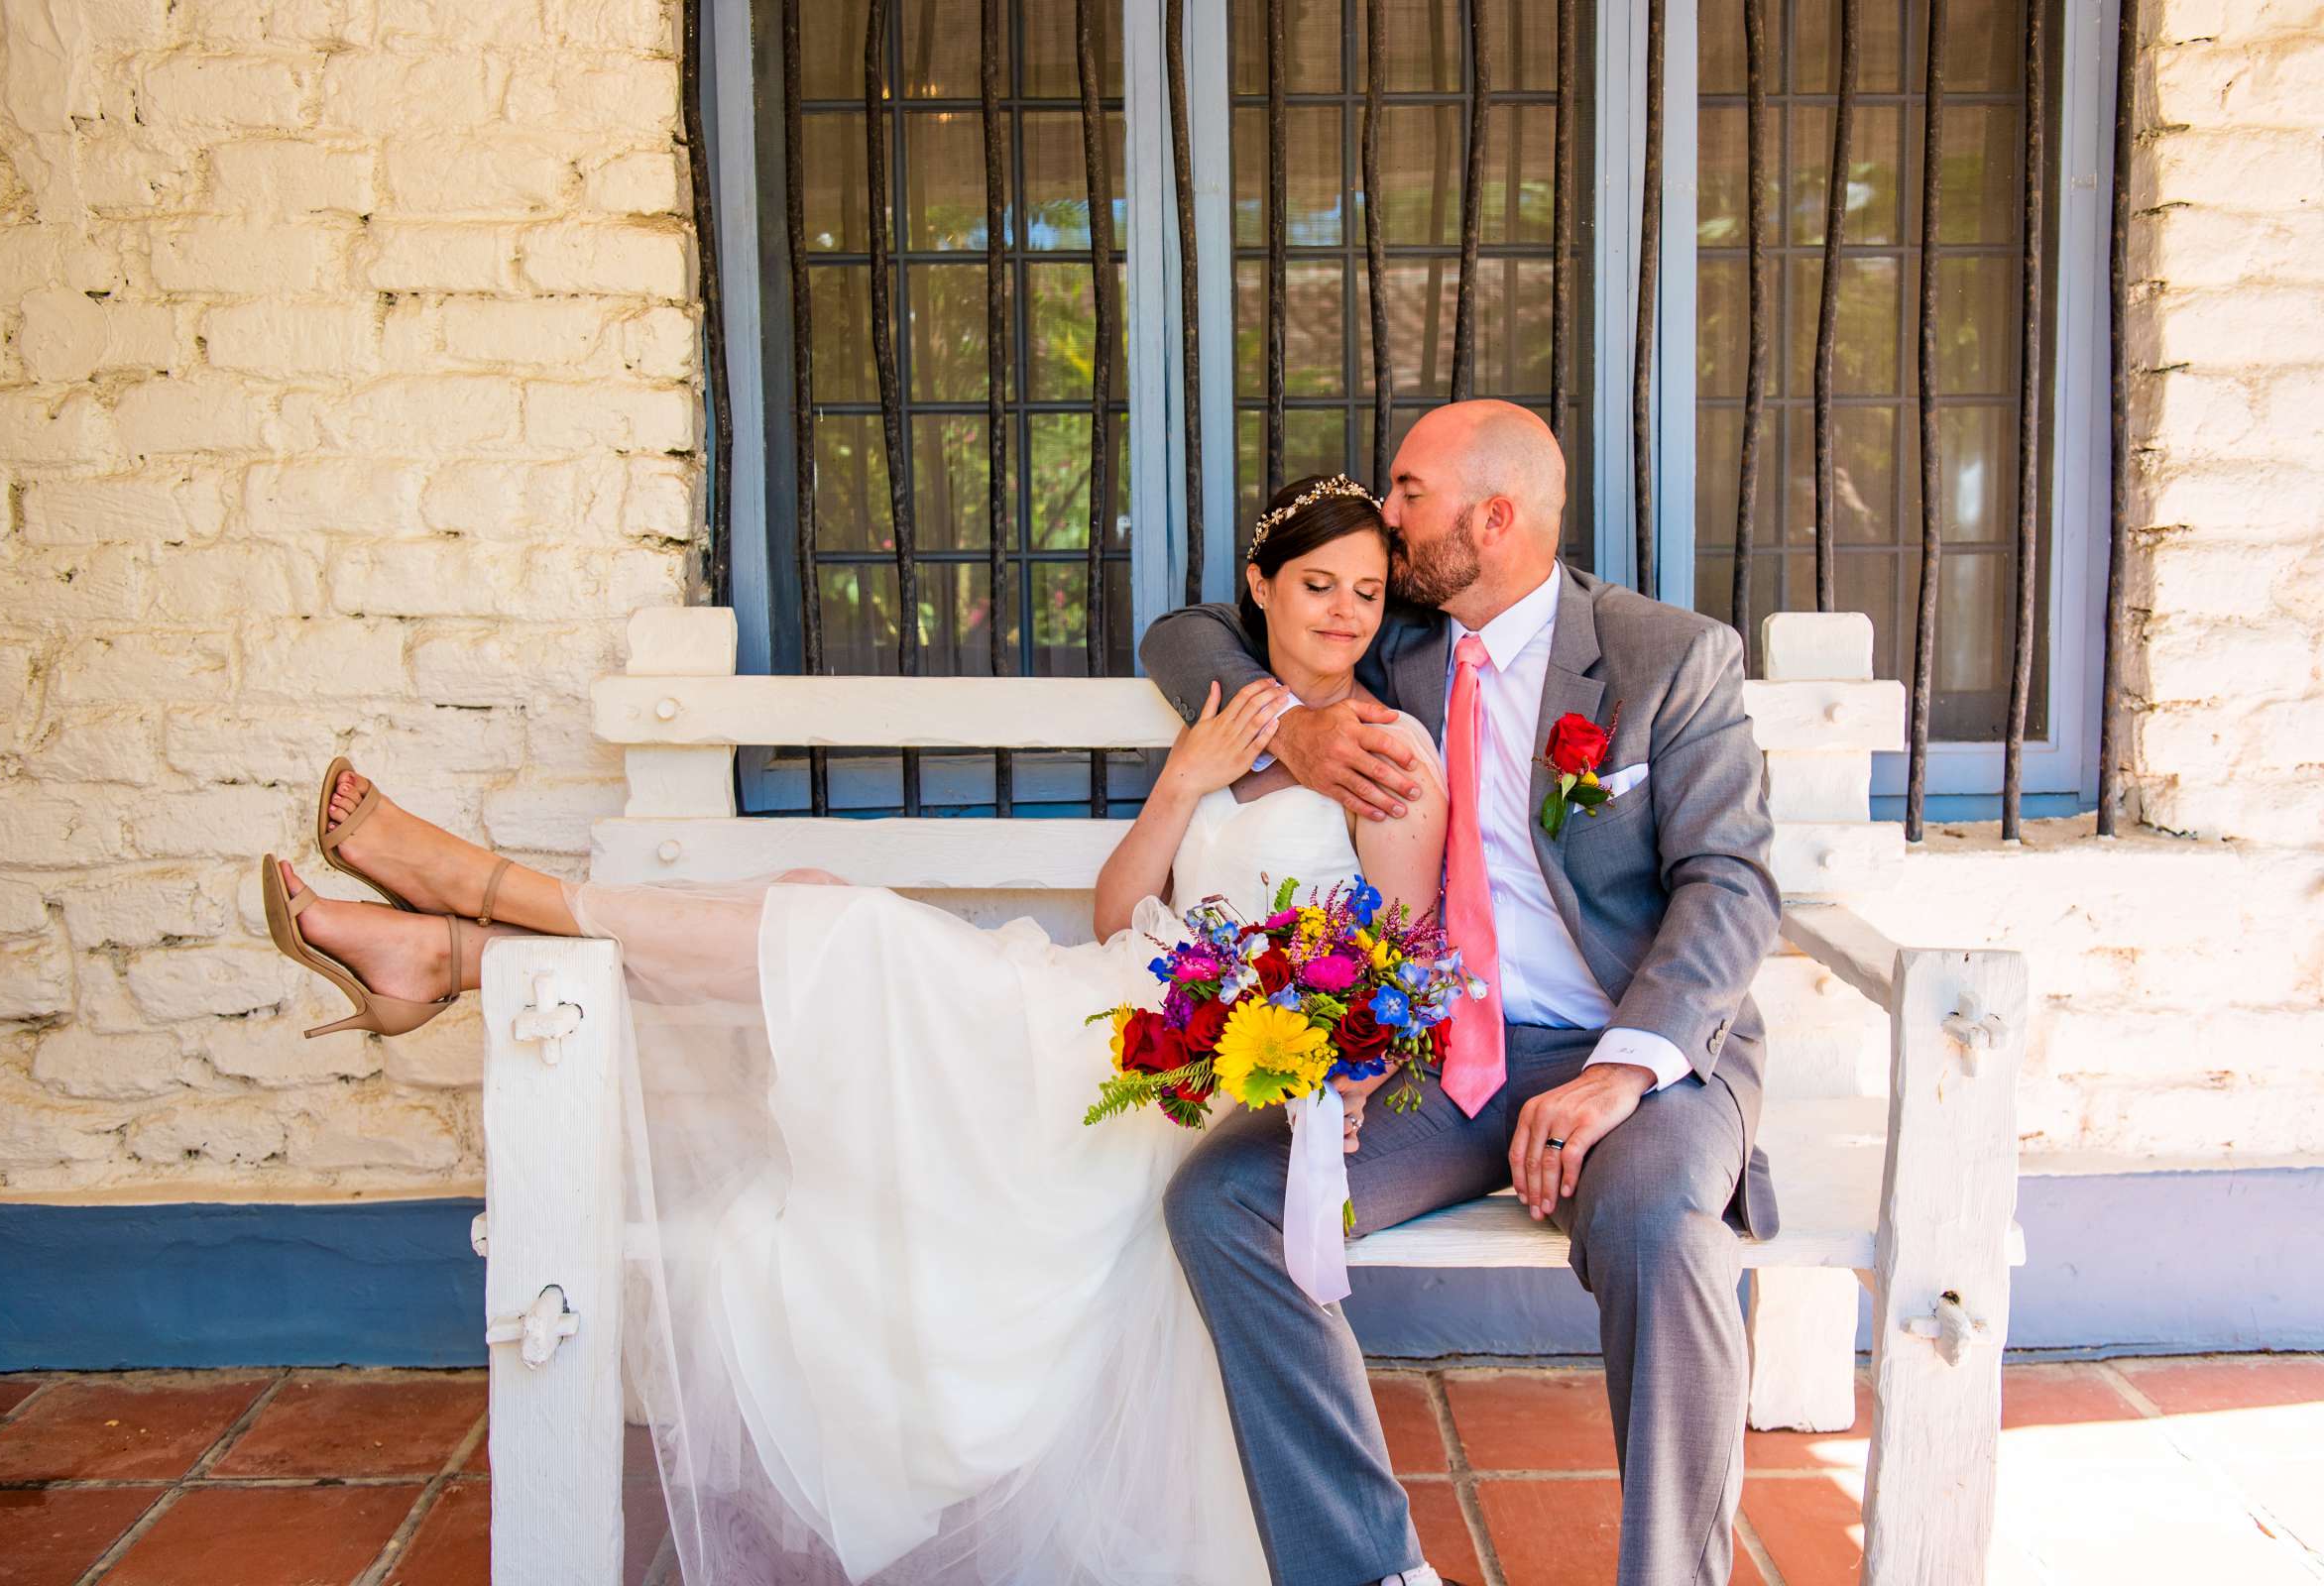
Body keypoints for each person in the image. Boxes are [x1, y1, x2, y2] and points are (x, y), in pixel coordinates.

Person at [258, 476, 1470, 1586]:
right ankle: (455, 944)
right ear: (1260, 589)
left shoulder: (1384, 753)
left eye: (1368, 593)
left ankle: (474, 914)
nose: (1346, 614)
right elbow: (1122, 915)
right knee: (821, 911)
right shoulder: (1225, 725)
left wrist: (1326, 1068)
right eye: (1318, 584)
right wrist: (1184, 781)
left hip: (1195, 1079)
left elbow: (1392, 974)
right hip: (1108, 1008)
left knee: (837, 928)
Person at [1143, 399, 1783, 1586]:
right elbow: (1184, 637)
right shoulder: (1395, 642)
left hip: (1631, 1060)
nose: (1386, 519)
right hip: (1437, 1061)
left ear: (1493, 519)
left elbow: (1728, 886)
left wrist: (1619, 1070)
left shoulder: (1668, 656)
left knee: (1661, 1228)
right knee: (1226, 1207)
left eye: (1407, 492)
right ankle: (1369, 1569)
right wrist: (1300, 732)